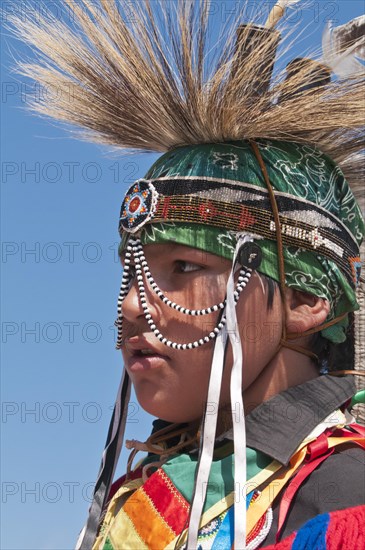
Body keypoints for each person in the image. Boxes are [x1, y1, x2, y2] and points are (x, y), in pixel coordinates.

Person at [9, 1, 364, 548]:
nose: (132, 303)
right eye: (131, 273)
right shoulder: (146, 494)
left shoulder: (340, 502)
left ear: (305, 295)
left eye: (183, 266)